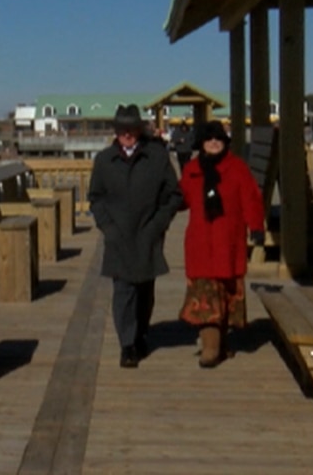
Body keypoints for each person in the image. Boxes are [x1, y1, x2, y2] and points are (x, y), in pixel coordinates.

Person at [88, 104, 184, 368]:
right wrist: (107, 226)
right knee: (123, 292)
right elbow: (95, 198)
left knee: (144, 291)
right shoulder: (104, 160)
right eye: (122, 130)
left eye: (132, 129)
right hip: (118, 235)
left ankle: (141, 333)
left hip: (148, 233)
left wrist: (159, 224)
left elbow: (174, 195)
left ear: (139, 130)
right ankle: (127, 344)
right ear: (116, 132)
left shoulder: (156, 156)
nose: (127, 134)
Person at [178, 121, 265, 368]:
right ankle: (210, 348)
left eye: (218, 139)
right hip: (201, 244)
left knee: (226, 296)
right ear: (202, 144)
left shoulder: (237, 168)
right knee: (206, 297)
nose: (214, 142)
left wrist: (256, 227)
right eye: (209, 139)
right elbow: (181, 198)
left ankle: (222, 344)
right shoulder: (192, 169)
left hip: (229, 242)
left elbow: (251, 198)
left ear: (225, 142)